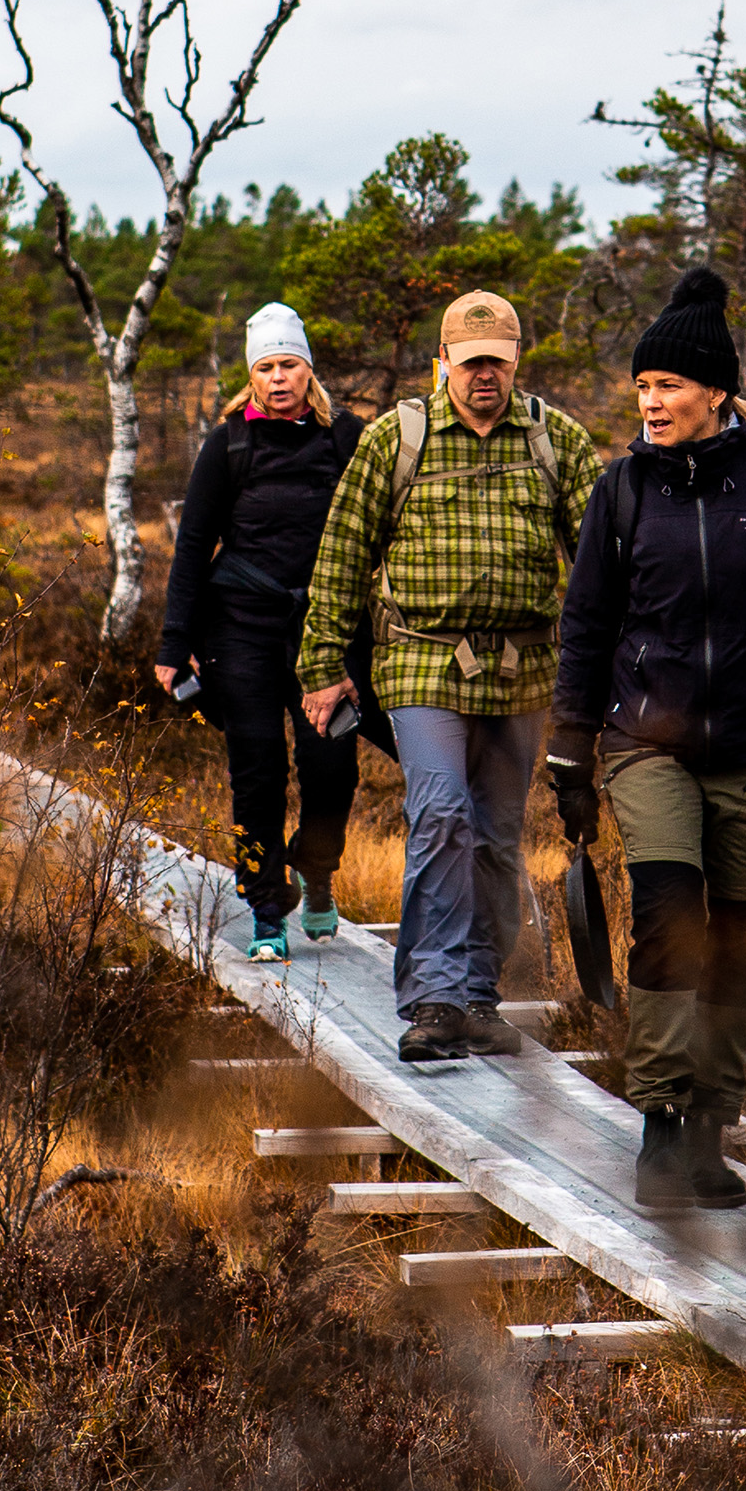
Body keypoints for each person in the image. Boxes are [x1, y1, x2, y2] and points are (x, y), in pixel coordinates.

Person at [547, 268, 746, 1210]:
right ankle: (655, 1120)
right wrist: (571, 753)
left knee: (737, 941)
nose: (651, 402)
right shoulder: (619, 493)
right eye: (643, 387)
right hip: (647, 741)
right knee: (668, 915)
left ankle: (706, 1131)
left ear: (716, 392)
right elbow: (587, 626)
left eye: (670, 386)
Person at [299, 291, 598, 1061]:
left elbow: (602, 567)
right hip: (422, 661)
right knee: (441, 815)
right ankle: (432, 998)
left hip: (523, 667)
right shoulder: (396, 438)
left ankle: (477, 995)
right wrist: (324, 667)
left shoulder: (555, 440)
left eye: (496, 360)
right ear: (444, 363)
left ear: (516, 359)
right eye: (468, 364)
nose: (482, 377)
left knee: (499, 837)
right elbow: (339, 555)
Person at [155, 302, 374, 962]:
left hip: (327, 630)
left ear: (309, 371)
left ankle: (318, 867)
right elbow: (194, 543)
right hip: (242, 627)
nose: (279, 378)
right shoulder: (229, 443)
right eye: (267, 367)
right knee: (256, 770)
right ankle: (265, 908)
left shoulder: (347, 439)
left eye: (290, 364)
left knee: (332, 766)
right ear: (252, 377)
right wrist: (174, 641)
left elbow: (382, 531)